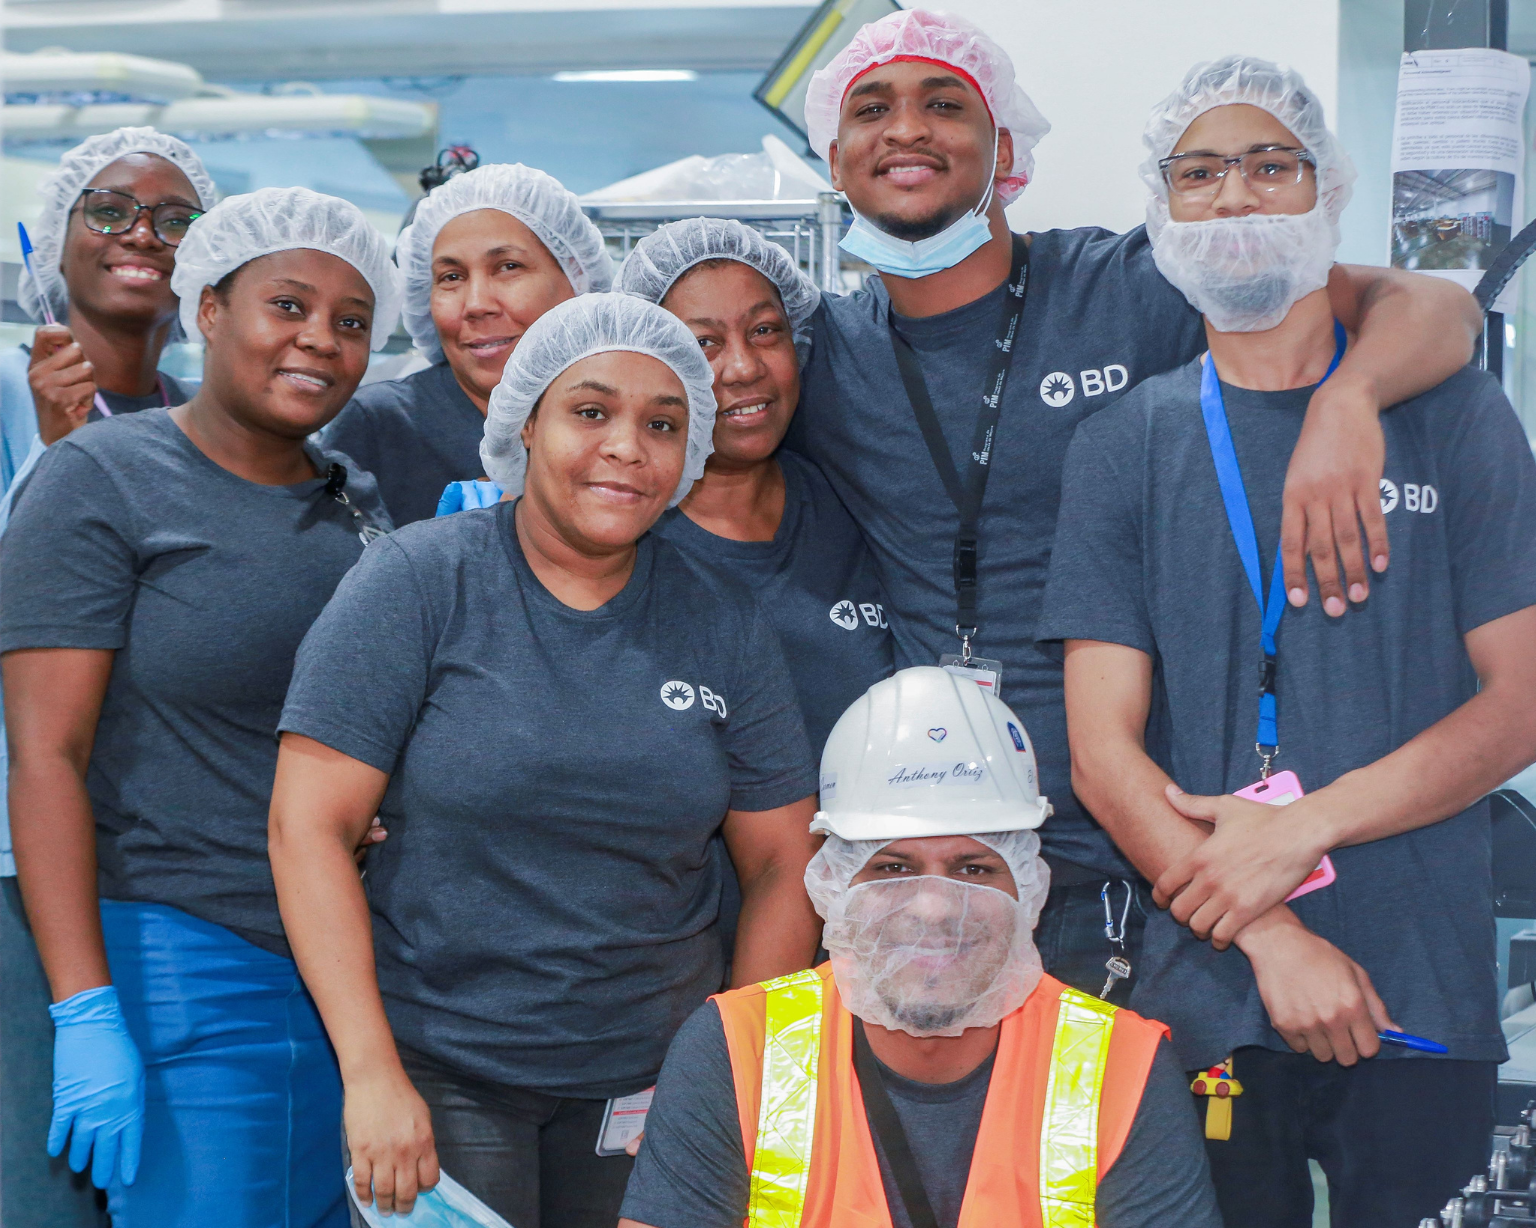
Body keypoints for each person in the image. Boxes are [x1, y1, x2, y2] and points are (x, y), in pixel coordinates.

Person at [783, 7, 1485, 1007]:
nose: (906, 129)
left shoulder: (1126, 287)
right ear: (835, 153)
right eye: (871, 108)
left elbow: (1435, 308)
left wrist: (1349, 399)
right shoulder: (826, 353)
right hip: (928, 852)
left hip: (1139, 848)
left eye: (945, 103)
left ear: (1007, 147)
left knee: (1110, 1156)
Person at [1039, 58, 1536, 1228]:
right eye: (1200, 172)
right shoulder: (1127, 442)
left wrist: (1303, 825)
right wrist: (1268, 933)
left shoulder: (1454, 415)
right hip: (1206, 991)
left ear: (1329, 188)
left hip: (1418, 981)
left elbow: (1519, 703)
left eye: (1273, 164)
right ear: (1162, 208)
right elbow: (1104, 757)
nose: (1239, 197)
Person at [269, 292, 822, 1228]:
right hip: (444, 1075)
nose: (626, 448)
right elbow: (306, 826)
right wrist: (370, 1076)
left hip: (648, 1085)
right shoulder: (418, 581)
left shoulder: (722, 620)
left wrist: (730, 1072)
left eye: (662, 424)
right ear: (525, 421)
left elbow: (782, 862)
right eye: (591, 411)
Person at [1, 186, 400, 1228]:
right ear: (208, 310)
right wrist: (87, 1010)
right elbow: (45, 754)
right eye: (287, 305)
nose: (319, 339)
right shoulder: (101, 479)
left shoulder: (354, 497)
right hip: (187, 960)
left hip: (352, 970)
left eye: (351, 321)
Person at [618, 665, 1223, 1228]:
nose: (934, 907)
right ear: (834, 882)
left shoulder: (1121, 1066)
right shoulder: (735, 1048)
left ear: (1030, 886)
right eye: (893, 869)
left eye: (973, 870)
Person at [0, 124, 216, 1228]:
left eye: (176, 218)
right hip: (22, 870)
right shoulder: (6, 388)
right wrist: (50, 455)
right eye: (112, 209)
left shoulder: (207, 420)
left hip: (173, 881)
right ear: (59, 235)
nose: (144, 233)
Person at [619, 217, 892, 756]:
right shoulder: (624, 540)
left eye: (766, 330)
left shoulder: (854, 502)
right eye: (703, 343)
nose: (743, 367)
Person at [322, 162, 614, 526]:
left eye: (508, 267)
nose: (476, 304)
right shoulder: (380, 426)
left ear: (577, 277)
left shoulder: (624, 420)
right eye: (451, 277)